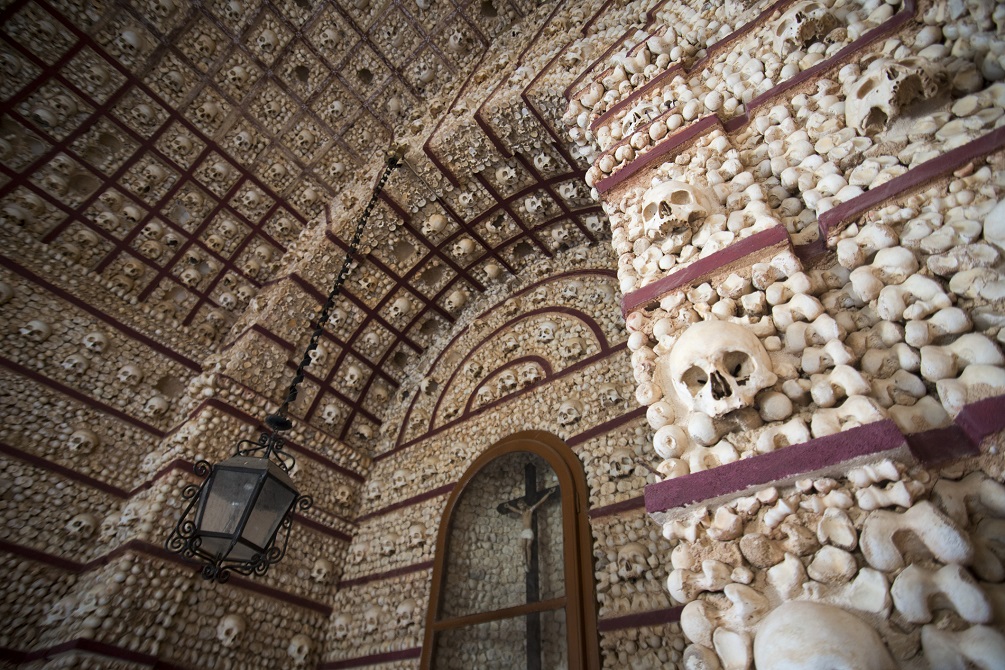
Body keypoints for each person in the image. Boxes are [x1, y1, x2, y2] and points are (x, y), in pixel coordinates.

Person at [504, 488, 554, 571]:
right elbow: (515, 510)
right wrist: (509, 506)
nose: (520, 507)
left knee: (528, 547)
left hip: (529, 531)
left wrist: (548, 493)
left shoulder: (530, 510)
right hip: (524, 532)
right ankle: (525, 563)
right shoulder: (522, 513)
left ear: (524, 504)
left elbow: (540, 502)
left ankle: (529, 562)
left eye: (521, 505)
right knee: (523, 548)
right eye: (519, 506)